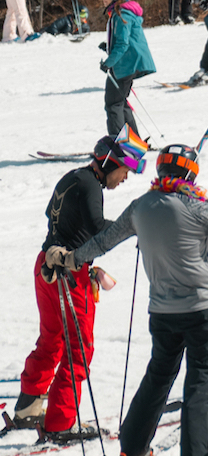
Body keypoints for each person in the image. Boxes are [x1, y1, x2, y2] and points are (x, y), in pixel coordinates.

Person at [48, 143, 208, 456]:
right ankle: (197, 455)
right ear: (189, 175)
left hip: (162, 313)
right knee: (200, 379)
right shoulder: (195, 207)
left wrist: (71, 258)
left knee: (158, 378)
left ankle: (134, 447)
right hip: (202, 309)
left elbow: (104, 241)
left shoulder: (140, 207)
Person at [12, 136, 143, 439]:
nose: (125, 178)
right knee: (78, 349)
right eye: (124, 169)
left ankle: (29, 407)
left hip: (45, 266)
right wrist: (137, 224)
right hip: (69, 275)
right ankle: (60, 422)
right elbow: (98, 228)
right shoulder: (90, 185)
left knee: (52, 338)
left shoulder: (74, 178)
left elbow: (54, 217)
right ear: (109, 161)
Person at [97, 0, 156, 137]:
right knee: (121, 103)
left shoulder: (121, 14)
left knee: (113, 104)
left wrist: (108, 63)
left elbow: (123, 43)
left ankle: (118, 143)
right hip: (128, 63)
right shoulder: (121, 12)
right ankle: (133, 141)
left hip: (127, 65)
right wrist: (108, 46)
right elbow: (125, 39)